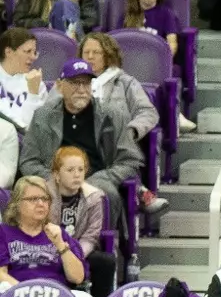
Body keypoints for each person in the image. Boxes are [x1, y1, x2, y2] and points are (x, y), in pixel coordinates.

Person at [20, 60, 149, 220]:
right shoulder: (43, 116)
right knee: (32, 194)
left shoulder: (113, 116)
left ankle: (105, 242)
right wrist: (54, 180)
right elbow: (28, 161)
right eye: (75, 83)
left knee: (105, 193)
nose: (81, 89)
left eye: (86, 83)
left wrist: (100, 179)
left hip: (98, 179)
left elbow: (130, 160)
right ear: (60, 86)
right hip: (54, 180)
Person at [47, 147, 115, 297]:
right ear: (57, 175)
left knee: (105, 262)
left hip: (81, 252)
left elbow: (91, 236)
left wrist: (75, 255)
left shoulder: (94, 197)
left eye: (80, 169)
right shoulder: (44, 194)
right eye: (70, 170)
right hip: (49, 249)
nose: (77, 174)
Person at [79, 34, 158, 148]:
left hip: (114, 147)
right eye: (86, 52)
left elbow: (148, 113)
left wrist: (131, 131)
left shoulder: (126, 83)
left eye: (96, 52)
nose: (90, 57)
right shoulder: (70, 82)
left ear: (108, 55)